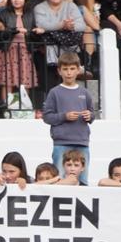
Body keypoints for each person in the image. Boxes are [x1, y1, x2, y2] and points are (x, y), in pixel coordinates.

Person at [42, 51, 93, 184]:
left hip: (82, 142)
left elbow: (92, 114)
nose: (69, 73)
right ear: (59, 71)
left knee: (83, 180)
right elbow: (47, 116)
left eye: (72, 69)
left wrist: (90, 116)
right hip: (61, 143)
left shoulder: (85, 93)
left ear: (78, 70)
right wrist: (65, 116)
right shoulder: (54, 92)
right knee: (59, 179)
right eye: (65, 69)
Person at [32, 0, 86, 91]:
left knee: (68, 87)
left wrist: (52, 29)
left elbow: (81, 26)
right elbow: (41, 24)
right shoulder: (39, 8)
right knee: (49, 87)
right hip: (46, 54)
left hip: (69, 53)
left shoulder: (71, 6)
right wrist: (63, 26)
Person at [0, 0, 39, 113]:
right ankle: (6, 109)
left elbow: (34, 33)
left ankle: (24, 108)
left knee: (25, 80)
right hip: (8, 51)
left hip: (25, 51)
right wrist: (14, 31)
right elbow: (1, 34)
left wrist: (34, 32)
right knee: (7, 81)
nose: (16, 0)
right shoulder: (4, 14)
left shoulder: (30, 14)